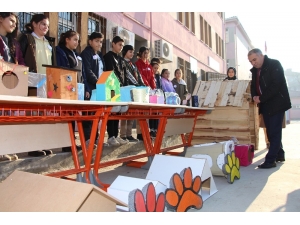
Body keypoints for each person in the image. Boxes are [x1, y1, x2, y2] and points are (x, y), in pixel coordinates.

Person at [18, 13, 56, 157]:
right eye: (42, 24)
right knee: (33, 113)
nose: (45, 27)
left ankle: (42, 144)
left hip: (46, 81)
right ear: (34, 24)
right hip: (32, 80)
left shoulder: (49, 43)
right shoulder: (27, 39)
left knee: (45, 114)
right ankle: (32, 147)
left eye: (47, 25)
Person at [248, 48, 291, 169]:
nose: (253, 63)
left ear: (261, 55)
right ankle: (279, 154)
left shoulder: (274, 64)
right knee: (271, 131)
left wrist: (261, 98)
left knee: (274, 132)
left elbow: (276, 85)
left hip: (277, 103)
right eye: (251, 61)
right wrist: (255, 96)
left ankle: (270, 160)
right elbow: (253, 86)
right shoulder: (255, 71)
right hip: (265, 104)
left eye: (254, 59)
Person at [0, 12, 24, 161]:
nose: (14, 24)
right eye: (11, 20)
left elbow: (20, 62)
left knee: (6, 116)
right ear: (1, 19)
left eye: (16, 22)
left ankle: (5, 149)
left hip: (10, 83)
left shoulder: (13, 42)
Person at [56, 29, 85, 152]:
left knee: (72, 115)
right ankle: (66, 143)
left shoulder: (76, 54)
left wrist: (84, 87)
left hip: (76, 87)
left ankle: (72, 141)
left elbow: (81, 71)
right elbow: (62, 68)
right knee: (66, 115)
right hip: (65, 86)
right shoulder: (60, 50)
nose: (76, 42)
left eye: (78, 40)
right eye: (74, 39)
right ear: (67, 40)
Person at [80, 32, 105, 149]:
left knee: (96, 114)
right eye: (96, 41)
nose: (99, 44)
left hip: (98, 88)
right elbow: (87, 71)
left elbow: (103, 72)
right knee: (88, 115)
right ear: (90, 41)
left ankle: (95, 138)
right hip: (90, 88)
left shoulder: (99, 56)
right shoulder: (86, 53)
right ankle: (88, 139)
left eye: (100, 42)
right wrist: (98, 82)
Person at [103, 36, 128, 146]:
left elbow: (124, 74)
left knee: (118, 112)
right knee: (112, 111)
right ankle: (111, 136)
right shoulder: (108, 56)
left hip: (121, 89)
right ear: (113, 44)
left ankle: (116, 135)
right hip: (112, 88)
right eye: (119, 45)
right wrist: (115, 85)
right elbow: (109, 72)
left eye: (122, 46)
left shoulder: (121, 59)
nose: (121, 47)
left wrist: (125, 87)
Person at [119, 44, 145, 142]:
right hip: (125, 89)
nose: (132, 54)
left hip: (133, 90)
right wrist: (136, 84)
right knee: (124, 112)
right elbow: (127, 76)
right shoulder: (121, 62)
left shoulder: (132, 64)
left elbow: (138, 76)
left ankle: (129, 134)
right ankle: (123, 134)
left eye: (133, 52)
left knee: (131, 113)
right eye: (130, 52)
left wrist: (142, 85)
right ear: (125, 52)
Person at [135, 46, 156, 140]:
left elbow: (152, 77)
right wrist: (147, 85)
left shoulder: (149, 65)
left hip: (149, 90)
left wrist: (153, 88)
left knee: (147, 112)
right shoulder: (137, 64)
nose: (146, 55)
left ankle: (144, 131)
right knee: (140, 111)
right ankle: (140, 133)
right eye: (144, 53)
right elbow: (140, 75)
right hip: (141, 89)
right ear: (140, 53)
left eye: (147, 53)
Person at [148, 58, 162, 138]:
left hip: (158, 95)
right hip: (151, 95)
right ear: (151, 68)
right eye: (154, 68)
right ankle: (152, 129)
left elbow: (160, 86)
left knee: (157, 112)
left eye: (157, 68)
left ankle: (156, 129)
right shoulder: (150, 75)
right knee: (152, 112)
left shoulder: (158, 76)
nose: (156, 69)